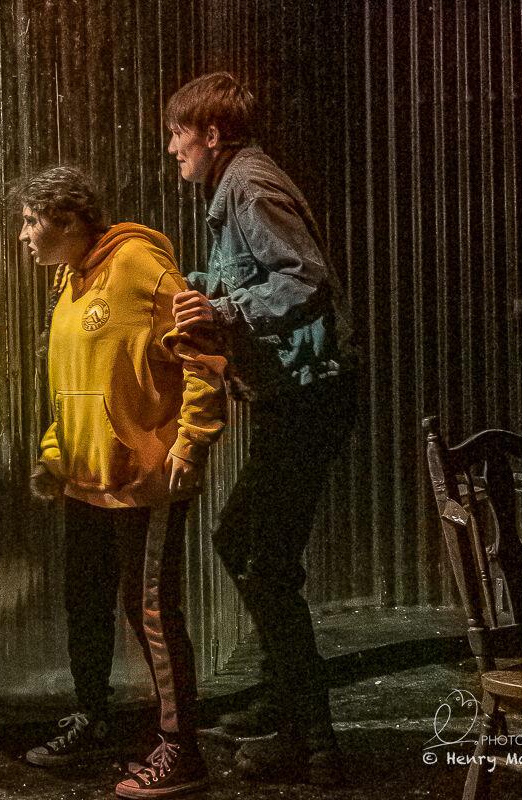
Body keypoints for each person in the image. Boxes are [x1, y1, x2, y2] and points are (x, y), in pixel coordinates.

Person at [164, 72, 358, 787]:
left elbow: (305, 278)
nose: (172, 149)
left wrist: (224, 310)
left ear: (211, 134)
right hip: (299, 397)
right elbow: (255, 276)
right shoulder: (236, 188)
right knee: (242, 543)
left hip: (311, 396)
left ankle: (313, 741)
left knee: (260, 559)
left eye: (178, 134)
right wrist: (200, 292)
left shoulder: (247, 185)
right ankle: (284, 701)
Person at [14, 166, 227, 799]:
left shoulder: (138, 265)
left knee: (150, 612)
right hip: (85, 481)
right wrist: (56, 453)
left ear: (68, 221)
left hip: (143, 479)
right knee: (84, 602)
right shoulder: (70, 281)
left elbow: (202, 351)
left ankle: (181, 748)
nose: (23, 235)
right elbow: (72, 383)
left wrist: (191, 439)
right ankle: (95, 718)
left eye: (30, 222)